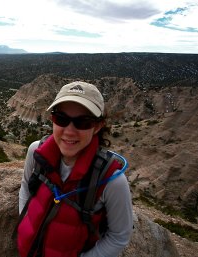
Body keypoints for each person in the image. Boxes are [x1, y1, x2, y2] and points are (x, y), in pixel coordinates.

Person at [17, 81, 133, 257]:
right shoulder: (36, 152)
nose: (69, 131)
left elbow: (119, 236)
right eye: (61, 119)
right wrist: (25, 223)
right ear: (52, 120)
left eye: (83, 122)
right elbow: (26, 187)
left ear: (97, 126)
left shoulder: (111, 180)